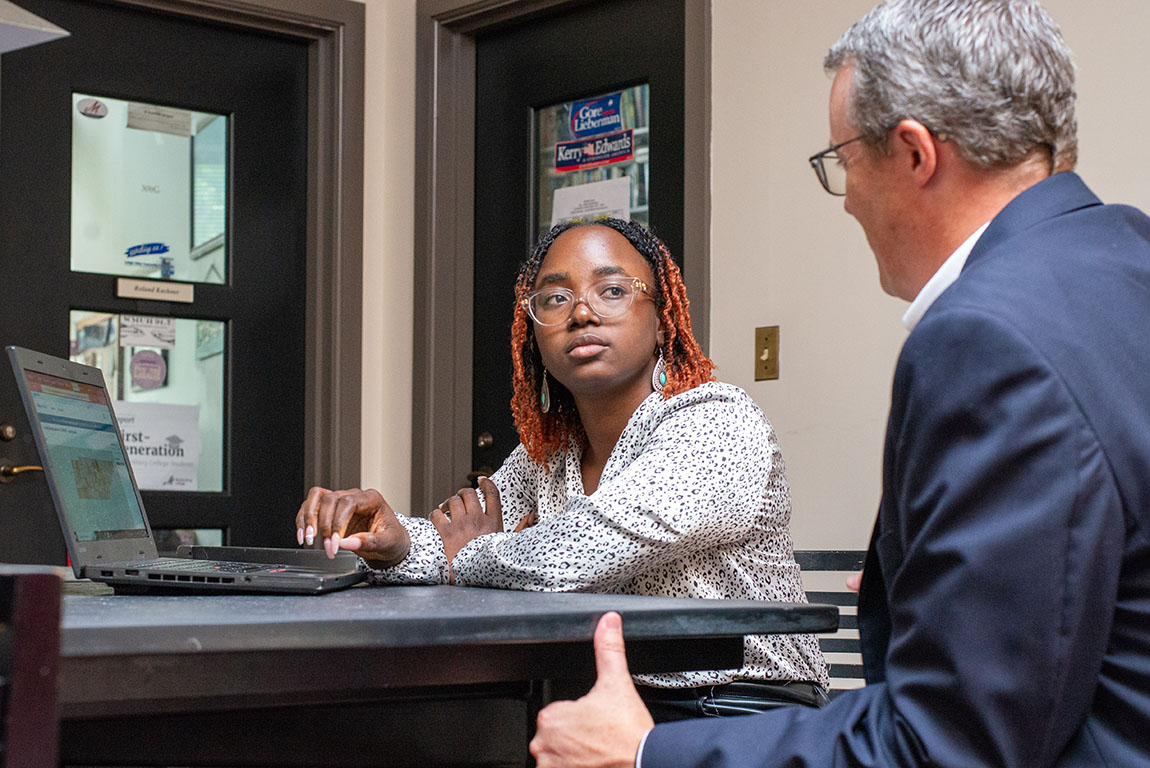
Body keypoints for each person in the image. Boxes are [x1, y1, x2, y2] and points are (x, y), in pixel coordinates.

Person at [528, 1, 1150, 765]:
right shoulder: (1127, 261)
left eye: (843, 160)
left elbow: (949, 742)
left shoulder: (986, 338)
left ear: (916, 154)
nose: (847, 197)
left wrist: (647, 753)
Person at [296, 217, 828, 710]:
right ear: (535, 335)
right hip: (595, 704)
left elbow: (579, 551)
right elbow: (458, 542)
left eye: (613, 290)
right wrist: (398, 542)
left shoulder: (717, 423)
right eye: (554, 298)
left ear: (664, 323)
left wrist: (473, 554)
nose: (582, 312)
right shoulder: (548, 452)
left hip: (739, 705)